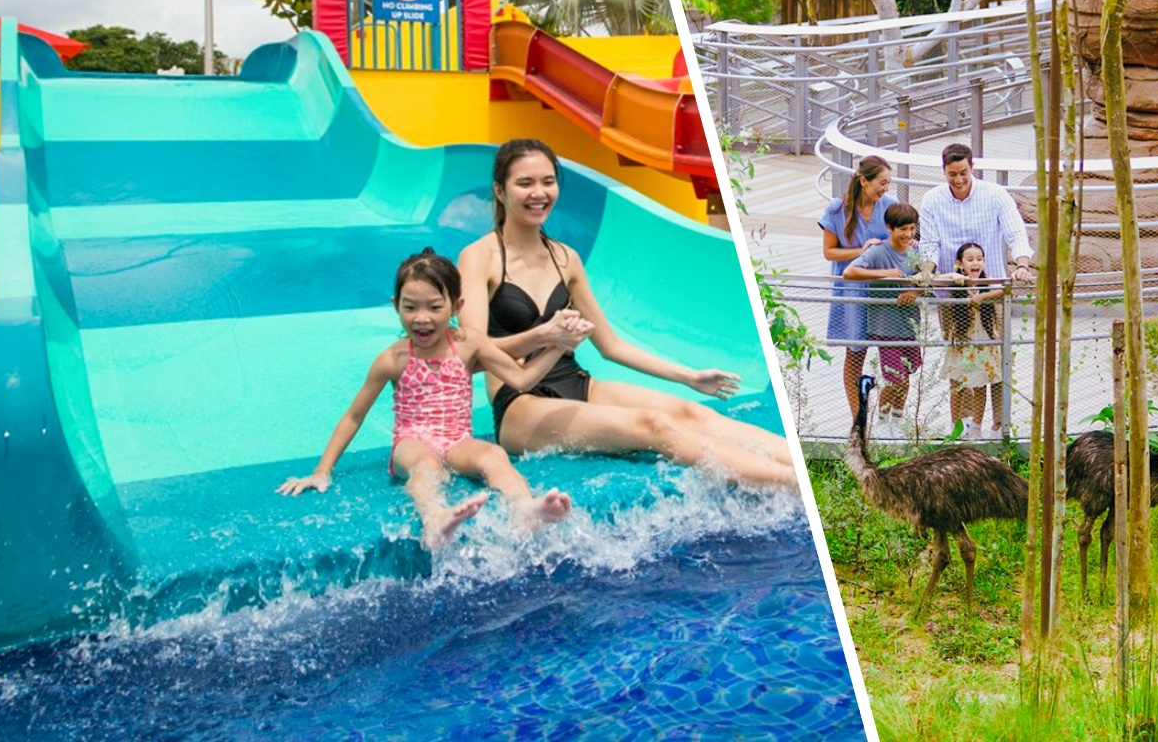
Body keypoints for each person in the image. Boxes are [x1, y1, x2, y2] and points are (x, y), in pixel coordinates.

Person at [456, 138, 798, 487]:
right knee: (653, 426)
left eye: (548, 181)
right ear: (500, 191)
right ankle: (787, 483)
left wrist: (689, 377)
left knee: (692, 412)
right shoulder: (479, 258)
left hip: (575, 382)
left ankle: (797, 467)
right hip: (520, 404)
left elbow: (611, 346)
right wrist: (543, 336)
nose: (539, 193)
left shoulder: (565, 258)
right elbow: (471, 352)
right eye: (525, 183)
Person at [277, 249, 574, 548]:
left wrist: (559, 346)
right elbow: (354, 416)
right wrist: (322, 471)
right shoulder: (392, 359)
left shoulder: (468, 344)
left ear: (456, 306)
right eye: (410, 307)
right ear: (396, 305)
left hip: (457, 440)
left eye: (434, 307)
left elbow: (522, 379)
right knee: (426, 465)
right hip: (411, 441)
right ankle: (434, 519)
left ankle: (524, 509)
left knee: (493, 455)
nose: (421, 318)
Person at [918, 143, 1033, 438]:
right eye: (952, 174)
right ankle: (965, 427)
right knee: (960, 360)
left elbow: (1016, 232)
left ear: (972, 168)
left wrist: (1021, 264)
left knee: (997, 358)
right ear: (944, 171)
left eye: (963, 173)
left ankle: (998, 425)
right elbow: (929, 244)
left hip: (991, 294)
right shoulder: (932, 200)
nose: (958, 179)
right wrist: (927, 272)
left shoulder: (995, 194)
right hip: (953, 297)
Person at [818, 155, 895, 418]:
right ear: (864, 181)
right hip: (852, 291)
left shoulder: (890, 205)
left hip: (883, 290)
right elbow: (829, 252)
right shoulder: (837, 209)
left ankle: (885, 416)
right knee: (854, 355)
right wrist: (860, 250)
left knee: (892, 355)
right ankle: (858, 419)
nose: (885, 188)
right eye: (882, 182)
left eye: (888, 182)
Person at [843, 203, 932, 424]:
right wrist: (886, 274)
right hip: (885, 327)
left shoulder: (916, 252)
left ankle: (897, 421)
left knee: (907, 374)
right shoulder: (877, 251)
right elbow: (849, 271)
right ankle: (882, 422)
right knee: (895, 377)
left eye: (912, 229)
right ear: (890, 228)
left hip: (909, 325)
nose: (908, 234)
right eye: (903, 229)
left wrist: (915, 291)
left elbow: (928, 281)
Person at [941, 242, 1005, 439]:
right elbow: (932, 281)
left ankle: (977, 427)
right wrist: (953, 275)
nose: (975, 263)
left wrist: (983, 297)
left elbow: (1006, 289)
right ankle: (956, 426)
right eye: (970, 260)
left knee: (980, 386)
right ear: (960, 263)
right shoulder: (957, 284)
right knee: (957, 386)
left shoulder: (988, 282)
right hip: (961, 343)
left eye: (979, 259)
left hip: (983, 341)